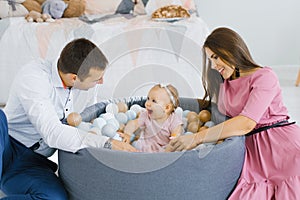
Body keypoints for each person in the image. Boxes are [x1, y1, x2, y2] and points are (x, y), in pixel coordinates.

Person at [165, 27, 300, 199]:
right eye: (210, 60)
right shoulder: (225, 84)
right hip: (253, 155)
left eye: (215, 57)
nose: (213, 66)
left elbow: (246, 122)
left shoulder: (264, 76)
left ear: (230, 49)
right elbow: (212, 109)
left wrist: (196, 138)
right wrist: (171, 100)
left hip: (283, 148)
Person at [1, 38, 136, 199]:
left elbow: (89, 121)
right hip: (7, 147)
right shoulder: (34, 78)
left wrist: (116, 130)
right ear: (74, 78)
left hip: (32, 163)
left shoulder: (85, 85)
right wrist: (107, 143)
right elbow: (52, 133)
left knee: (54, 198)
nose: (101, 82)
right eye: (96, 79)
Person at [121, 84, 184, 152]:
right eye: (148, 99)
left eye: (154, 101)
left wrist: (174, 139)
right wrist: (127, 134)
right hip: (147, 144)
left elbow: (176, 133)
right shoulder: (146, 115)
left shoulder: (173, 120)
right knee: (135, 147)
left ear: (167, 108)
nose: (147, 103)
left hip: (165, 147)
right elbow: (133, 124)